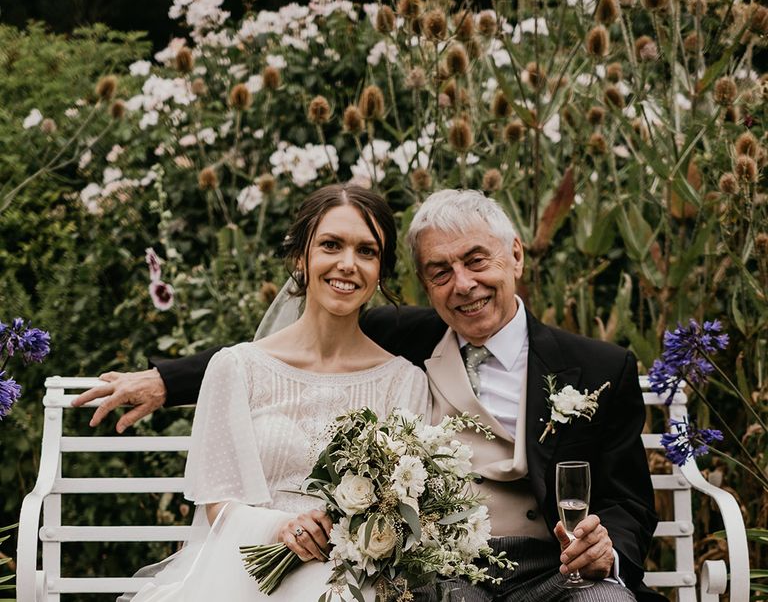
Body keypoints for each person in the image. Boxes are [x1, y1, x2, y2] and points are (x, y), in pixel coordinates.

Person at [76, 189, 663, 602]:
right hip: (450, 573)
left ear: (515, 254)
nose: (463, 285)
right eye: (439, 271)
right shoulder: (414, 334)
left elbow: (629, 502)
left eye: (477, 260)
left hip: (560, 569)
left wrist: (608, 549)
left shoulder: (598, 367)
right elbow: (282, 353)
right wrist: (165, 380)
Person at [116, 183, 430, 602]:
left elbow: (405, 502)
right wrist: (279, 528)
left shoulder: (404, 382)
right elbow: (218, 503)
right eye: (331, 245)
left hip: (356, 578)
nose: (347, 264)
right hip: (247, 564)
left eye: (367, 251)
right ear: (301, 257)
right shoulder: (237, 368)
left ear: (381, 270)